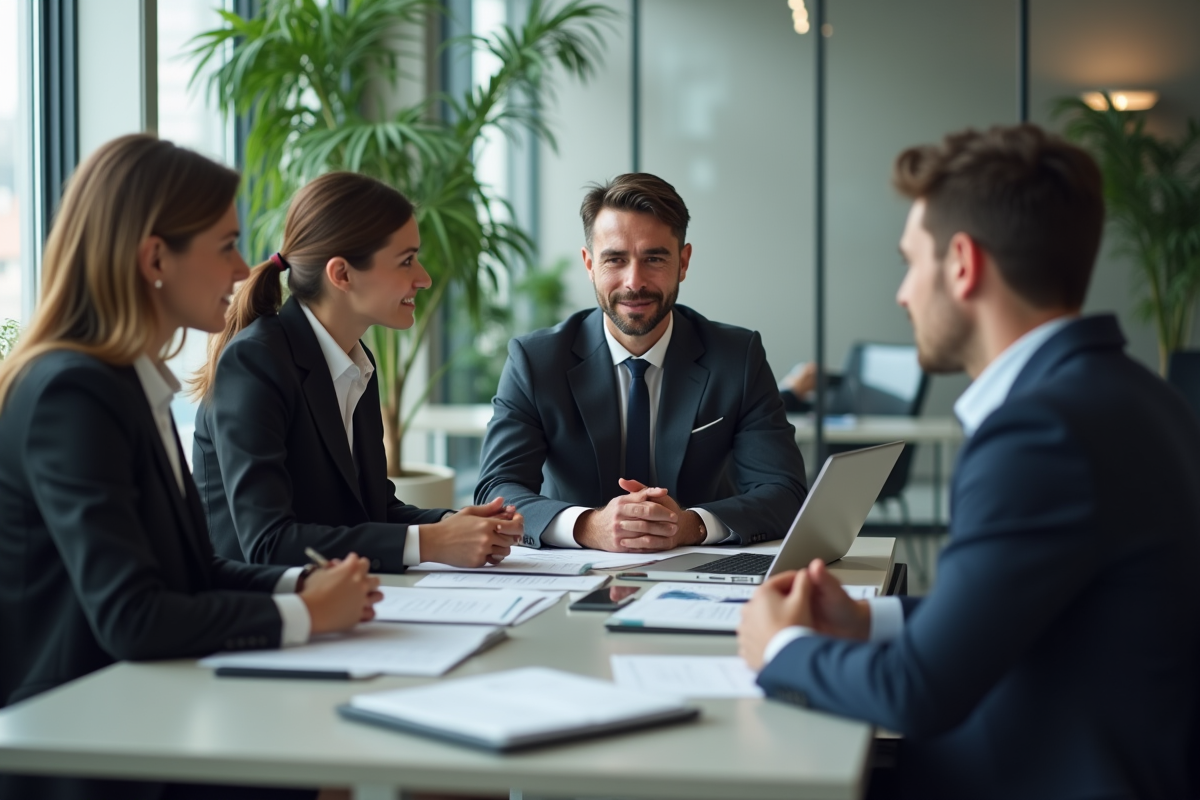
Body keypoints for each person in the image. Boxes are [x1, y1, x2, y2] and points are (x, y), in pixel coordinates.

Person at [737, 124, 1200, 800]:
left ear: (962, 263)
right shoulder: (1138, 395)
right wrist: (868, 621)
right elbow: (1041, 608)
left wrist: (779, 648)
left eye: (909, 262)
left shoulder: (1039, 432)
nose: (902, 294)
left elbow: (918, 693)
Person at [0, 134, 380, 800]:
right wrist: (307, 616)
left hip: (140, 706)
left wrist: (304, 587)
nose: (243, 270)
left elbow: (192, 572)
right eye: (225, 245)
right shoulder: (72, 391)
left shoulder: (126, 382)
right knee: (323, 767)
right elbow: (132, 616)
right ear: (155, 259)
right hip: (84, 742)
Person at [192, 172, 522, 572]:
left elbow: (373, 513)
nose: (424, 278)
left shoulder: (355, 360)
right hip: (259, 616)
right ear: (342, 274)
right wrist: (432, 542)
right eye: (406, 261)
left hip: (340, 604)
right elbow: (268, 544)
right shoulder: (255, 363)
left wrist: (454, 525)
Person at [475, 173, 807, 553]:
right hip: (570, 573)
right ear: (589, 264)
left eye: (654, 258)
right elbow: (496, 489)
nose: (634, 281)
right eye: (615, 259)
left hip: (701, 570)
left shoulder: (737, 356)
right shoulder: (535, 361)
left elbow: (784, 491)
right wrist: (587, 525)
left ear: (683, 262)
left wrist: (691, 525)